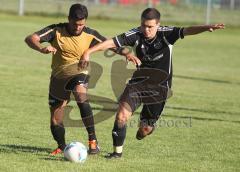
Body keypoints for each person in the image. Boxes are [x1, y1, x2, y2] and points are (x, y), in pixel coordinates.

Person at [80, 8, 225, 158]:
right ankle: (117, 154)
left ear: (158, 25)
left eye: (150, 27)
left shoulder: (167, 34)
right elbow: (110, 42)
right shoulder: (136, 34)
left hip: (160, 88)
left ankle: (146, 128)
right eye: (144, 25)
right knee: (122, 115)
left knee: (144, 130)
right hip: (138, 83)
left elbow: (187, 30)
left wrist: (206, 27)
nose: (146, 30)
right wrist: (88, 52)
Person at [24, 3, 139, 156]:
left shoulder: (90, 34)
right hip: (59, 77)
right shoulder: (56, 30)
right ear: (68, 19)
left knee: (81, 95)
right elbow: (30, 38)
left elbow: (109, 44)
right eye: (75, 24)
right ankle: (62, 146)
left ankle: (93, 142)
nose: (78, 27)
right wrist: (41, 48)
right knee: (55, 118)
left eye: (81, 24)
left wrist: (126, 53)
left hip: (79, 72)